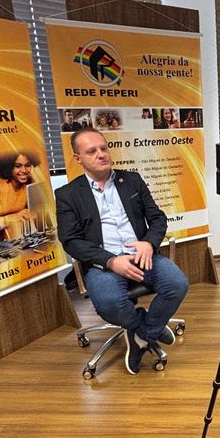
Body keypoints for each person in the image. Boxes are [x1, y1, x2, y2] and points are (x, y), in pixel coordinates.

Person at [55, 128, 189, 375]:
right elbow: (70, 241)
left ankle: (141, 336)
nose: (101, 154)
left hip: (143, 255)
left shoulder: (132, 180)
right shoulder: (67, 195)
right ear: (78, 158)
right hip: (103, 263)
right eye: (91, 151)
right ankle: (147, 327)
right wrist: (110, 261)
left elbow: (157, 218)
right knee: (109, 304)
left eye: (103, 148)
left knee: (177, 284)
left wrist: (148, 243)